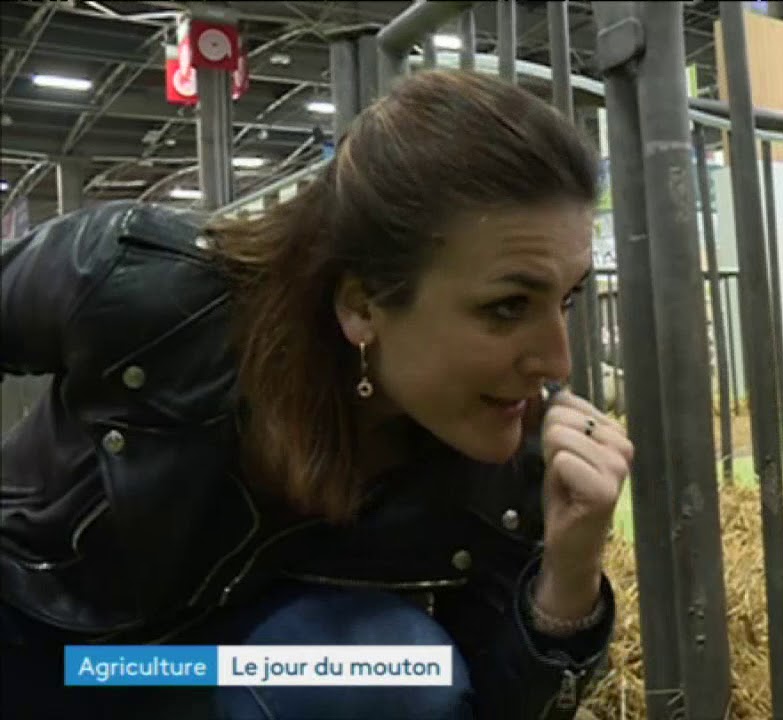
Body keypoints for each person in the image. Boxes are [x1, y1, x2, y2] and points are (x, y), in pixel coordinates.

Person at [0, 68, 630, 720]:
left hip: (186, 675)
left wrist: (569, 574)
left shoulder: (506, 450)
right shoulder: (135, 284)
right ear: (362, 305)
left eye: (567, 299)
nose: (557, 360)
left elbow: (486, 705)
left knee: (399, 672)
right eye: (506, 306)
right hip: (31, 641)